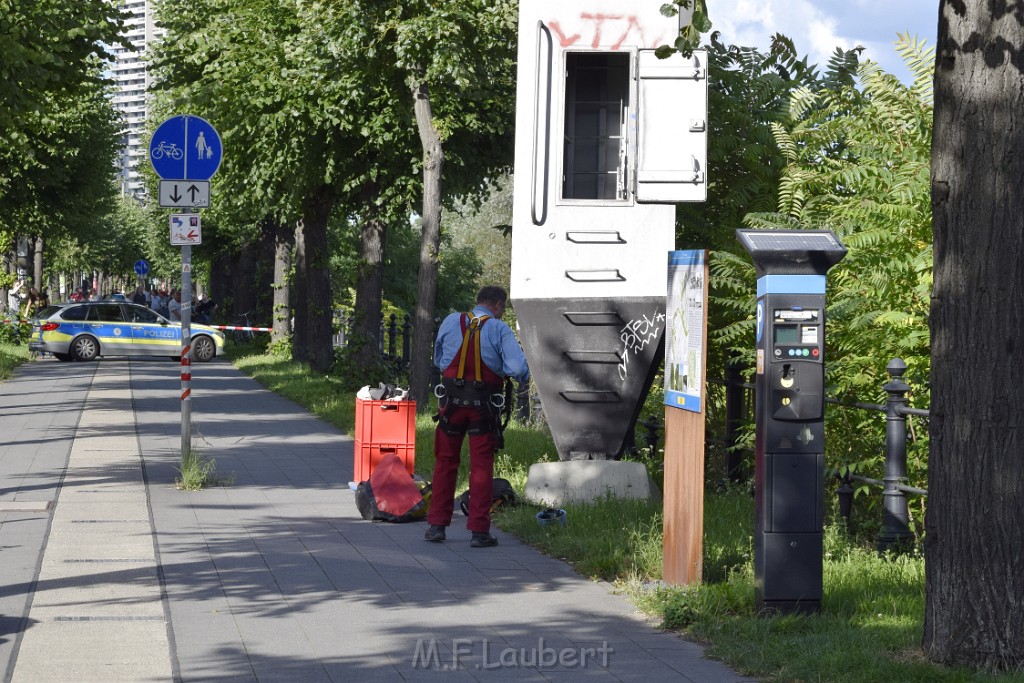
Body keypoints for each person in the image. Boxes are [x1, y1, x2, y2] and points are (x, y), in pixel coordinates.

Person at [424, 285, 530, 548]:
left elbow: (439, 360)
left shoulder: (451, 321)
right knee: (481, 466)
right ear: (497, 305)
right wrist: (520, 376)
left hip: (451, 405)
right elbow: (517, 368)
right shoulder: (499, 329)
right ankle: (479, 531)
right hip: (483, 408)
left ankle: (437, 526)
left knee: (445, 461)